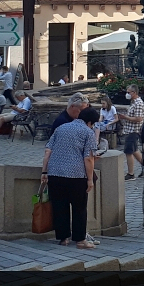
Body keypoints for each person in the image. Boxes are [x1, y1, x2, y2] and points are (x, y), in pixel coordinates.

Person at [41, 106, 99, 249]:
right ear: (90, 122)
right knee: (79, 208)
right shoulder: (88, 132)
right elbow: (88, 158)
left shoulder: (61, 128)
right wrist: (90, 179)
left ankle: (63, 238)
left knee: (59, 206)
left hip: (55, 173)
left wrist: (44, 172)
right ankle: (80, 240)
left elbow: (48, 151)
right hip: (76, 175)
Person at [119, 84, 144, 180]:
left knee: (129, 151)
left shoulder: (138, 103)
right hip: (130, 130)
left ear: (134, 93)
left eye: (129, 92)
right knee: (134, 150)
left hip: (133, 130)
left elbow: (139, 118)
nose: (127, 94)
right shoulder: (133, 102)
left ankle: (131, 173)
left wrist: (125, 117)